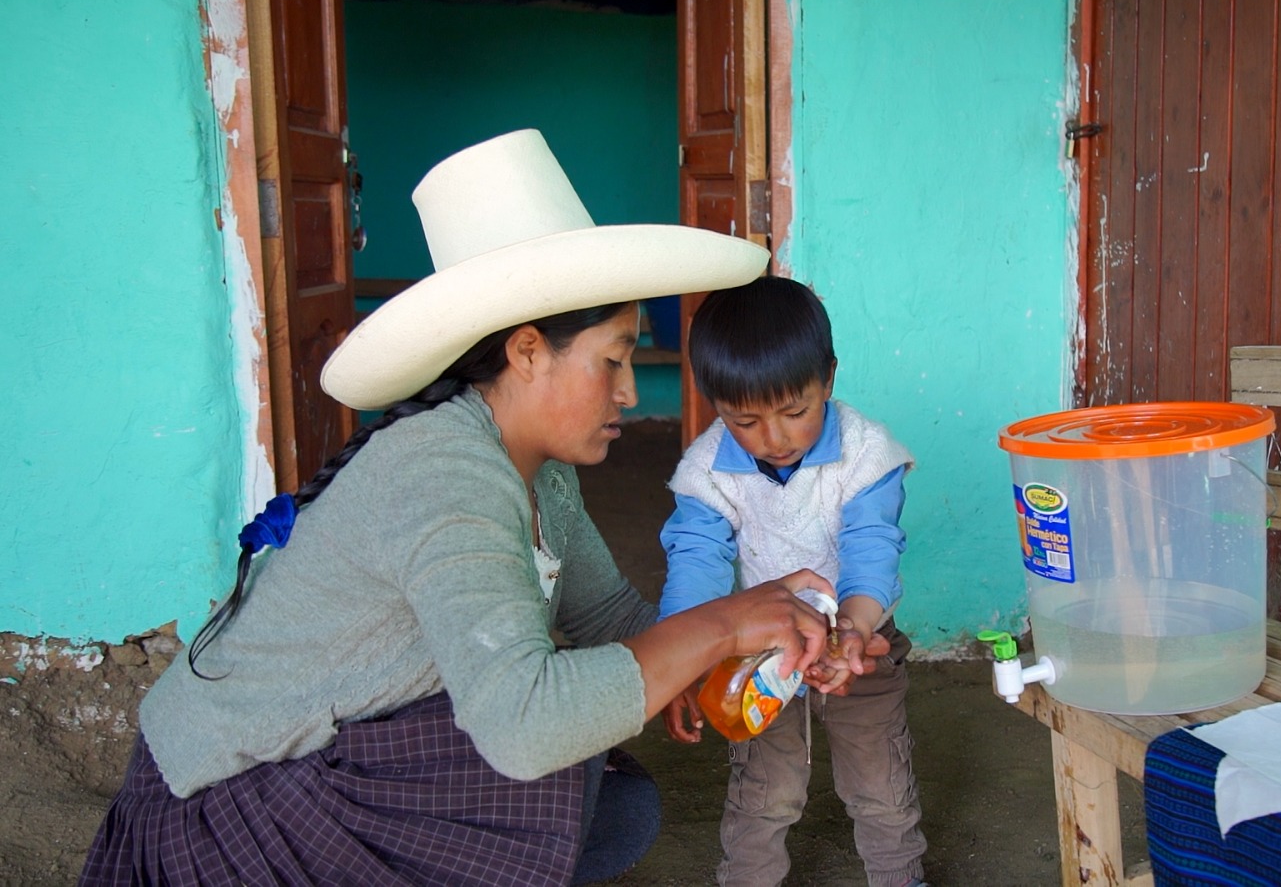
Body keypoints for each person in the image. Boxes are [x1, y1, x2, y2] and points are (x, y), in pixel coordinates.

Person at [78, 130, 848, 887]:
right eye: (613, 360)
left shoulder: (536, 469)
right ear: (525, 353)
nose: (627, 391)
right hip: (220, 804)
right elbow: (525, 726)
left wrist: (769, 649)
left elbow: (608, 615)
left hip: (315, 753)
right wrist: (725, 622)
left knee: (612, 799)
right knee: (553, 757)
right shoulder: (444, 471)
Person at [657, 276, 929, 887]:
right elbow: (697, 560)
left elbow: (872, 545)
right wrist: (676, 658)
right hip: (760, 657)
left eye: (795, 412)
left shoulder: (867, 454)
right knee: (765, 792)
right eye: (744, 420)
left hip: (860, 646)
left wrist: (855, 630)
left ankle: (900, 877)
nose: (773, 440)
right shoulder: (706, 471)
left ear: (828, 379)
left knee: (879, 784)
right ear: (713, 402)